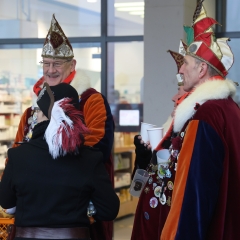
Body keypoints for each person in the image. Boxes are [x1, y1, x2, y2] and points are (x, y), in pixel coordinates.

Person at [0, 14, 115, 240]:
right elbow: (17, 150)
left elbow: (97, 146)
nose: (50, 70)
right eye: (46, 64)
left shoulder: (91, 101)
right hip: (34, 209)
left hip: (78, 206)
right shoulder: (30, 112)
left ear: (72, 65)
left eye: (57, 64)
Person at [161, 2, 240, 240]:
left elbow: (194, 193)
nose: (181, 70)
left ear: (202, 69)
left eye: (186, 63)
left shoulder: (205, 115)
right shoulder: (231, 109)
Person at [0, 82, 120, 240]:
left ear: (42, 114)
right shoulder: (89, 158)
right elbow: (109, 210)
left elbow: (6, 202)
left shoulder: (18, 156)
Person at [131, 41, 189, 240]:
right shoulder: (168, 133)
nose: (174, 97)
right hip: (150, 223)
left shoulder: (188, 136)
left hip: (166, 225)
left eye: (180, 93)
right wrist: (144, 156)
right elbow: (137, 189)